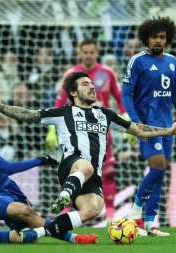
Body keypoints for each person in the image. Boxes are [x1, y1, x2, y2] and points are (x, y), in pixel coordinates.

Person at [0, 71, 176, 243]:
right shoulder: (63, 112)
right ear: (73, 92)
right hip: (72, 165)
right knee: (87, 166)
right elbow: (29, 114)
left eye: (92, 83)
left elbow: (140, 130)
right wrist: (0, 107)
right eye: (85, 84)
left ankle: (31, 233)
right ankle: (65, 194)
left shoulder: (106, 115)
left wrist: (170, 131)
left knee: (93, 210)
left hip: (92, 175)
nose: (92, 87)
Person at [0, 78, 97, 244]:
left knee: (26, 235)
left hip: (6, 186)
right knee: (27, 212)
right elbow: (8, 167)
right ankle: (77, 239)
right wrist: (40, 160)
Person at [121, 17, 176, 236]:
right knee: (157, 166)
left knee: (160, 171)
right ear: (147, 38)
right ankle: (134, 213)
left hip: (168, 127)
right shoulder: (138, 61)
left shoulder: (172, 61)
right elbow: (126, 94)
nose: (158, 41)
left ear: (168, 39)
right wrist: (136, 121)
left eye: (162, 37)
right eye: (154, 36)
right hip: (147, 126)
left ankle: (149, 223)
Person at [45, 39, 127, 218]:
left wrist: (125, 115)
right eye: (85, 52)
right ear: (79, 53)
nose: (88, 55)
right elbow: (60, 102)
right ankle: (66, 208)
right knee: (74, 169)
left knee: (108, 171)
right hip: (76, 131)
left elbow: (120, 98)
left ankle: (110, 214)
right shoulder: (71, 75)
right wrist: (51, 130)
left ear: (97, 53)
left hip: (101, 131)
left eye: (92, 52)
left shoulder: (107, 73)